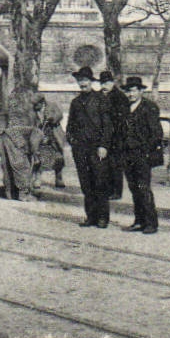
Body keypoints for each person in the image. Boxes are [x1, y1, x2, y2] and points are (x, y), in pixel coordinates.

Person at [65, 66, 112, 228]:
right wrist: (72, 141)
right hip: (80, 150)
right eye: (80, 80)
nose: (82, 83)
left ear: (91, 82)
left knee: (99, 182)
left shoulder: (101, 100)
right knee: (86, 184)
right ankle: (90, 216)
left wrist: (104, 145)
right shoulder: (75, 102)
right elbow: (70, 125)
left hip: (97, 149)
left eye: (85, 80)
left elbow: (108, 126)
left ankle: (103, 217)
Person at [119, 77, 165, 234]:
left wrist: (146, 152)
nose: (130, 94)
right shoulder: (124, 108)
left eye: (133, 90)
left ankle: (151, 223)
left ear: (140, 91)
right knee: (133, 189)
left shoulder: (149, 107)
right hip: (127, 155)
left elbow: (156, 133)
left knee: (143, 188)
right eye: (128, 91)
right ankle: (139, 220)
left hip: (142, 155)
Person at [99, 70, 128, 202]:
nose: (104, 85)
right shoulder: (100, 96)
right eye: (102, 83)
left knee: (116, 165)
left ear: (112, 82)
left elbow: (122, 119)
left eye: (107, 82)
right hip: (104, 135)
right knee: (105, 164)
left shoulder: (120, 97)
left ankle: (117, 191)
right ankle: (107, 189)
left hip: (117, 136)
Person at [31, 93, 66, 189]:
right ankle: (37, 178)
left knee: (58, 157)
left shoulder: (52, 105)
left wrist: (52, 118)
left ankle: (59, 178)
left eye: (36, 104)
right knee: (38, 158)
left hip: (53, 135)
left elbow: (60, 115)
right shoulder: (33, 110)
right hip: (40, 136)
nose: (35, 107)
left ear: (42, 102)